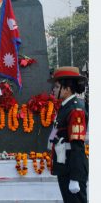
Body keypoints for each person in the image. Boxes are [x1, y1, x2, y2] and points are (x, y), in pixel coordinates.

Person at [47, 66, 88, 203]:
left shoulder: (75, 109)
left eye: (57, 87)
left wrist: (75, 178)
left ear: (67, 89)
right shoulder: (65, 107)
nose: (54, 90)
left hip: (72, 169)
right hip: (65, 166)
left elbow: (77, 145)